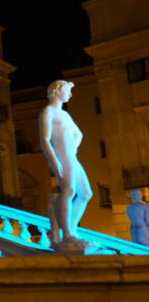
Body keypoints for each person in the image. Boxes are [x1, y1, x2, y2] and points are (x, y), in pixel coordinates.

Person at [39, 80, 93, 246]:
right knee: (69, 190)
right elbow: (45, 140)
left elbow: (79, 134)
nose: (70, 94)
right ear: (57, 91)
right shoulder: (47, 112)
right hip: (62, 157)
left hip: (71, 156)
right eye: (68, 90)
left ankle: (71, 229)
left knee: (85, 194)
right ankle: (68, 235)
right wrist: (54, 161)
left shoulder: (65, 115)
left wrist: (73, 148)